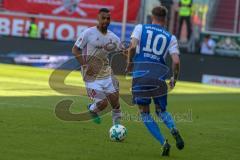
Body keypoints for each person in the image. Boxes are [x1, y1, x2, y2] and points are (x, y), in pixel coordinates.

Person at [126, 6, 184, 156]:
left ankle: (163, 142)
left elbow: (132, 47)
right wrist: (174, 78)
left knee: (144, 113)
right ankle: (173, 129)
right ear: (165, 19)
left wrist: (129, 62)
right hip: (159, 77)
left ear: (152, 16)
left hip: (141, 75)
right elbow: (176, 61)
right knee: (161, 111)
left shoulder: (140, 28)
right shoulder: (171, 37)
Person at [72, 8, 122, 125]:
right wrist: (85, 64)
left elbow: (123, 50)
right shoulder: (88, 33)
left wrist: (129, 52)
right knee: (103, 104)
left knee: (116, 103)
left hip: (106, 72)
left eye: (108, 18)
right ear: (97, 18)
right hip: (91, 74)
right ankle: (92, 109)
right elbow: (75, 49)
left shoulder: (113, 38)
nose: (105, 20)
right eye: (103, 18)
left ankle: (117, 127)